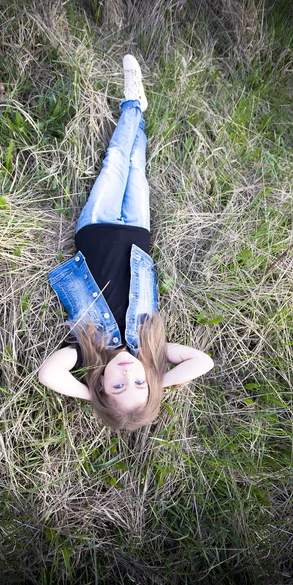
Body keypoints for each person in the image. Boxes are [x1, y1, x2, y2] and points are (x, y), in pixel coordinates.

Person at [39, 55, 214, 430]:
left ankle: (132, 102)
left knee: (115, 160)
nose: (127, 374)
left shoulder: (85, 347)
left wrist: (93, 395)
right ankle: (139, 118)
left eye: (118, 386)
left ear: (102, 385)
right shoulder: (151, 347)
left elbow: (49, 375)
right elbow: (204, 363)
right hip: (137, 232)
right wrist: (157, 382)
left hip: (96, 228)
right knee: (137, 165)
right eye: (138, 383)